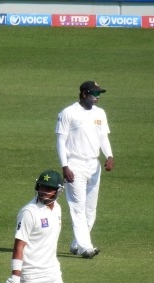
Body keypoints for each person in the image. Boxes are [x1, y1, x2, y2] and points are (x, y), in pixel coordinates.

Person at [55, 80, 114, 259]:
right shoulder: (68, 113)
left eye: (99, 94)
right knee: (77, 207)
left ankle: (77, 243)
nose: (97, 97)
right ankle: (85, 247)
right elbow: (60, 141)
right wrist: (65, 166)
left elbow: (103, 137)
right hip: (75, 164)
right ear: (83, 94)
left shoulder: (100, 113)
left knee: (90, 208)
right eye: (94, 94)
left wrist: (109, 156)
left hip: (93, 164)